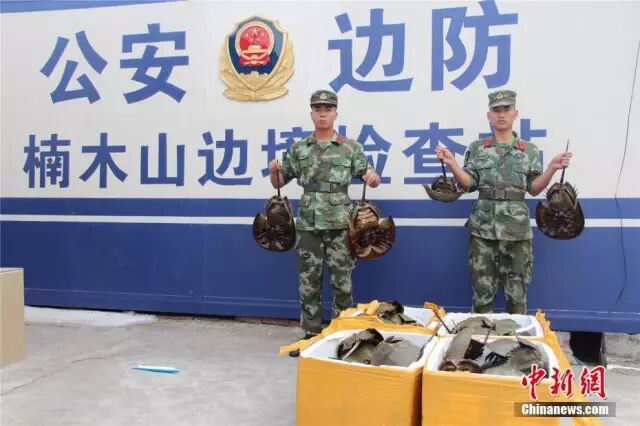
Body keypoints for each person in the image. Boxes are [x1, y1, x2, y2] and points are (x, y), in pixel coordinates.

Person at [435, 89, 572, 314]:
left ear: (515, 113)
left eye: (506, 109)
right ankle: (479, 335)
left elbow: (534, 188)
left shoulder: (528, 150)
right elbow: (469, 184)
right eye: (496, 110)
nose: (501, 114)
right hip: (483, 231)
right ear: (489, 115)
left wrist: (552, 168)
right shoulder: (478, 148)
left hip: (516, 232)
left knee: (517, 295)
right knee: (482, 293)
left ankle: (517, 337)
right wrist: (452, 164)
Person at [268, 89, 381, 338]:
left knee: (342, 282)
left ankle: (342, 335)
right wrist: (273, 171)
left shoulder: (350, 148)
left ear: (335, 114)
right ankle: (311, 334)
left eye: (327, 110)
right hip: (308, 224)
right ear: (311, 114)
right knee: (309, 282)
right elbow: (279, 182)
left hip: (341, 225)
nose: (322, 114)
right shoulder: (299, 149)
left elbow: (370, 178)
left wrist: (373, 178)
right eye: (318, 110)